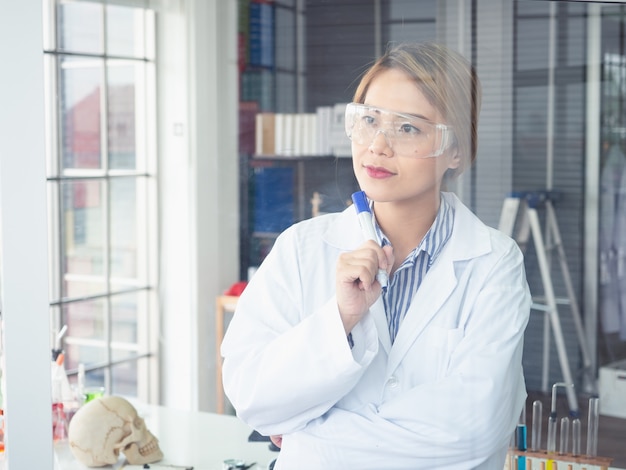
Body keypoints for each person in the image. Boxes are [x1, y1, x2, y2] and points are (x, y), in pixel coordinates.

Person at [221, 42, 531, 469]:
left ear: (456, 150)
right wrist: (340, 320)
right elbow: (252, 401)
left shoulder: (494, 262)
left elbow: (474, 429)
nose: (378, 146)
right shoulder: (300, 248)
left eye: (408, 128)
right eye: (368, 120)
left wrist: (307, 438)